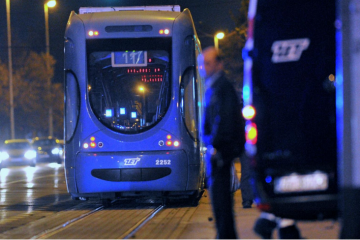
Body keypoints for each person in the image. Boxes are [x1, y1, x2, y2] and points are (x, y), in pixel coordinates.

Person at [199, 46, 245, 239]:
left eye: (207, 63)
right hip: (219, 152)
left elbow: (223, 121)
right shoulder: (216, 86)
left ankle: (225, 236)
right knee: (220, 203)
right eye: (202, 64)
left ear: (219, 64)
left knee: (221, 202)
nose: (204, 68)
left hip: (220, 154)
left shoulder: (221, 88)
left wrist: (214, 144)